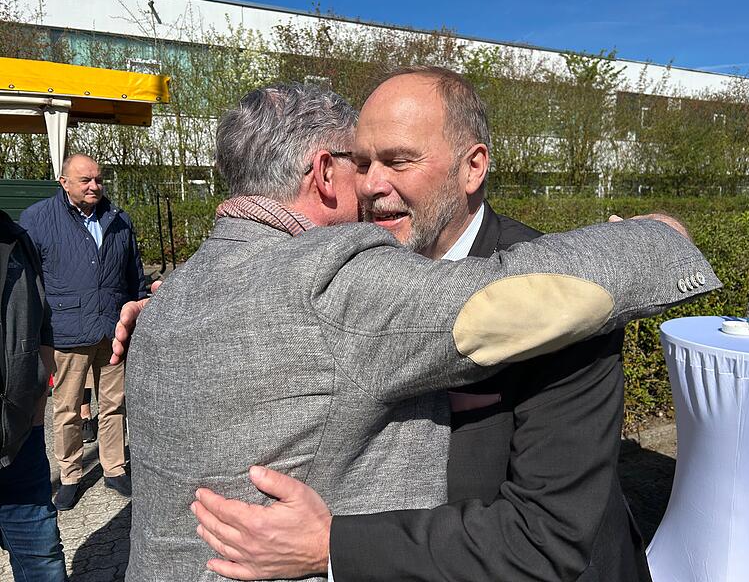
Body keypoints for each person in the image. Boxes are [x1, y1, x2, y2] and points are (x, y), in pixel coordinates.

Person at [121, 81, 718, 582]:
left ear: (473, 166)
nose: (375, 184)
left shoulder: (185, 295)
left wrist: (332, 545)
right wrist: (657, 233)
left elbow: (551, 533)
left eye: (397, 160)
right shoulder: (325, 283)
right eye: (364, 162)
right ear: (327, 174)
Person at [19, 153, 146, 511]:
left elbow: (133, 273)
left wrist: (136, 309)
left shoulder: (118, 219)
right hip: (66, 331)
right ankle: (71, 475)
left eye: (98, 180)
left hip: (112, 328)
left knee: (114, 404)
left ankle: (114, 467)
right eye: (85, 180)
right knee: (68, 408)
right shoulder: (38, 219)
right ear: (64, 182)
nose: (94, 186)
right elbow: (31, 280)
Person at [0, 209, 67, 581]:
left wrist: (38, 407)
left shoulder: (15, 239)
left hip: (20, 444)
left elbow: (42, 325)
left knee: (44, 564)